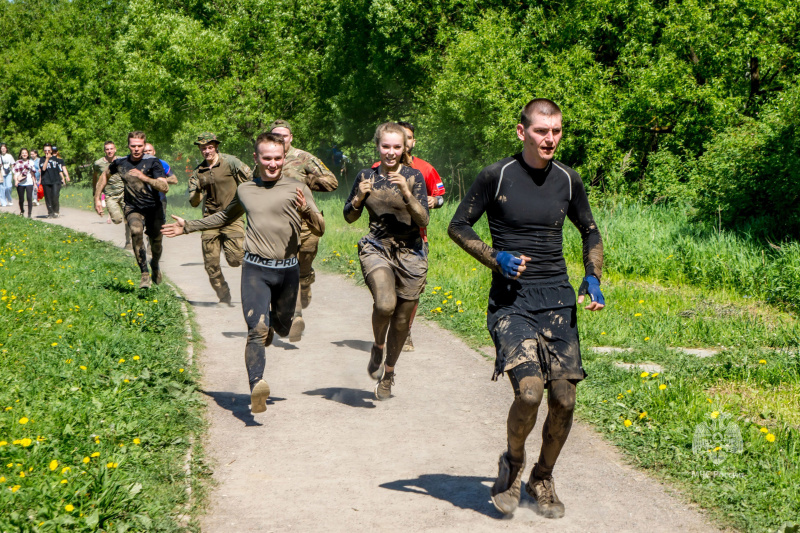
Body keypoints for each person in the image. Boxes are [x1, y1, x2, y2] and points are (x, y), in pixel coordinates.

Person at [448, 98, 605, 518]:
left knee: (565, 399)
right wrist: (494, 256)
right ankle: (513, 465)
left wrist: (593, 276)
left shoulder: (569, 180)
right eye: (541, 130)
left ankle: (542, 475)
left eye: (556, 131)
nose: (549, 138)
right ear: (523, 132)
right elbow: (457, 225)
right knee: (530, 391)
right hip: (511, 302)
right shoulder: (495, 176)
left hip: (558, 301)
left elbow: (590, 231)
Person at [162, 132, 324, 413]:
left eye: (277, 158)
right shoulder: (246, 189)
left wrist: (306, 210)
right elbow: (225, 216)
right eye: (266, 158)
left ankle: (276, 322)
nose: (272, 164)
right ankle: (256, 385)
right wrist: (188, 225)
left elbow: (320, 227)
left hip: (288, 271)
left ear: (283, 157)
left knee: (283, 328)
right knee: (256, 330)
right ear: (256, 158)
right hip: (255, 269)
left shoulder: (297, 188)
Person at [343, 122, 429, 401]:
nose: (390, 152)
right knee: (384, 304)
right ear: (378, 146)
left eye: (396, 147)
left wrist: (407, 193)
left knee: (402, 321)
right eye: (385, 146)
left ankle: (388, 374)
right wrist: (359, 197)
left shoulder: (414, 176)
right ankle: (378, 346)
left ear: (405, 148)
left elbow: (424, 219)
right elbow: (349, 216)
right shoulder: (366, 175)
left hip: (411, 253)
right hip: (377, 247)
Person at [372, 121, 446, 352]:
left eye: (409, 138)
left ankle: (406, 329)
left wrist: (435, 201)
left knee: (411, 291)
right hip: (383, 241)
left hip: (416, 238)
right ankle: (386, 330)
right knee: (387, 288)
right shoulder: (376, 168)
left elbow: (441, 196)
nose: (402, 144)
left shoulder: (425, 169)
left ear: (410, 143)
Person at [269, 120, 338, 340]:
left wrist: (308, 181)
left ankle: (306, 283)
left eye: (284, 136)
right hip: (279, 225)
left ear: (291, 138)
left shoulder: (304, 158)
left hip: (306, 223)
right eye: (275, 136)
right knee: (290, 269)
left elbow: (332, 182)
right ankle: (296, 316)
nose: (280, 140)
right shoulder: (265, 159)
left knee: (303, 266)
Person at [94, 131, 168, 288]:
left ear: (144, 145)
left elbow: (164, 186)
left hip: (154, 207)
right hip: (133, 206)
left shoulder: (153, 162)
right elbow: (104, 176)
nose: (136, 149)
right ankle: (144, 274)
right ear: (128, 146)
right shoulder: (121, 163)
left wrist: (144, 177)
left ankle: (154, 264)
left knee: (156, 243)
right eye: (133, 146)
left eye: (140, 146)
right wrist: (97, 198)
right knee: (135, 230)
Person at [186, 133, 252, 306]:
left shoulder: (231, 162)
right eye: (203, 148)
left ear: (216, 146)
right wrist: (198, 190)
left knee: (236, 259)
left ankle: (258, 277)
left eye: (210, 147)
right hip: (210, 220)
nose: (207, 151)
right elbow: (193, 202)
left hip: (232, 217)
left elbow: (250, 181)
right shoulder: (198, 171)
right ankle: (224, 297)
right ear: (199, 149)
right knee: (211, 264)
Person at [92, 141, 131, 247]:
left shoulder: (122, 160)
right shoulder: (98, 163)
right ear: (104, 151)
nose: (109, 151)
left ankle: (128, 241)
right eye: (107, 149)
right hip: (110, 195)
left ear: (115, 149)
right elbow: (95, 178)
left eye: (111, 149)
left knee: (129, 218)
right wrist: (96, 195)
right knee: (117, 219)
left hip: (124, 193)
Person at [39, 144, 69, 218]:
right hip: (46, 180)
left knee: (55, 196)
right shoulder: (42, 159)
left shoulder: (57, 159)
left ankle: (56, 211)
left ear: (51, 150)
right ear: (43, 151)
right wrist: (47, 159)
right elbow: (43, 169)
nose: (47, 152)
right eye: (45, 150)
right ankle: (50, 212)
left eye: (48, 150)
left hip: (56, 180)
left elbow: (60, 170)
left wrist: (64, 177)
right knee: (48, 198)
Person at [12, 148, 35, 217]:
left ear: (27, 154)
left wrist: (35, 183)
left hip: (29, 182)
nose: (24, 154)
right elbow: (15, 173)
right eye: (23, 153)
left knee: (29, 198)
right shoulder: (17, 162)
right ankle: (22, 210)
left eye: (25, 153)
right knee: (21, 199)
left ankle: (29, 214)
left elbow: (32, 173)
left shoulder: (31, 162)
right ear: (21, 154)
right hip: (20, 183)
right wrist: (16, 181)